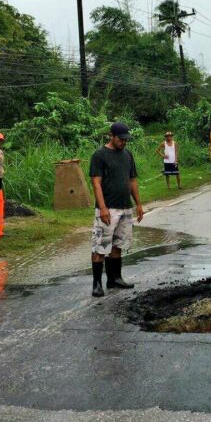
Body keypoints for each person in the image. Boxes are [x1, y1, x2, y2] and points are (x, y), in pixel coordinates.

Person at [89, 122, 144, 297]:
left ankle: (115, 279)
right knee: (100, 246)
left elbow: (132, 180)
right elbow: (96, 183)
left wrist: (138, 204)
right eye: (121, 139)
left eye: (126, 140)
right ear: (111, 136)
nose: (123, 142)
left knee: (118, 244)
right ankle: (97, 284)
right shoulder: (99, 155)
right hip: (107, 209)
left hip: (125, 207)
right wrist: (103, 207)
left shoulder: (128, 154)